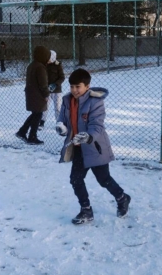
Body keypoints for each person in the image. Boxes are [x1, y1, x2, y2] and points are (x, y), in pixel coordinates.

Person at [55, 68, 131, 225]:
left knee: (104, 180)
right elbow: (62, 118)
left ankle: (122, 198)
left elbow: (97, 125)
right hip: (77, 148)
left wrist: (88, 136)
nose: (75, 90)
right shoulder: (67, 100)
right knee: (75, 179)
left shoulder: (95, 102)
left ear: (87, 86)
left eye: (78, 86)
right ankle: (86, 210)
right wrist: (61, 127)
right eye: (72, 87)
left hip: (95, 148)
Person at [16, 45, 50, 145]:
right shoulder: (40, 67)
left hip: (31, 94)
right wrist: (46, 94)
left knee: (35, 114)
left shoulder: (32, 65)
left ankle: (22, 132)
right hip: (38, 95)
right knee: (38, 114)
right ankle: (32, 136)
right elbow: (43, 84)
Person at [40, 50, 65, 131]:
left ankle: (59, 122)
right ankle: (42, 122)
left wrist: (55, 84)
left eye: (49, 57)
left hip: (56, 90)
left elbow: (62, 77)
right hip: (47, 90)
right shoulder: (44, 65)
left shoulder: (58, 65)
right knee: (45, 106)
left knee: (57, 107)